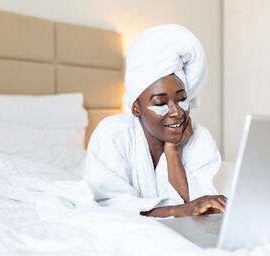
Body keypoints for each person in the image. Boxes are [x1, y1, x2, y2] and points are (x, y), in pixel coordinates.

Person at [83, 24, 226, 218]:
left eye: (182, 99)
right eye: (160, 103)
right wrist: (177, 211)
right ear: (136, 108)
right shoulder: (114, 134)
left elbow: (198, 207)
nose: (177, 112)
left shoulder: (200, 138)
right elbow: (108, 204)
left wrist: (172, 151)